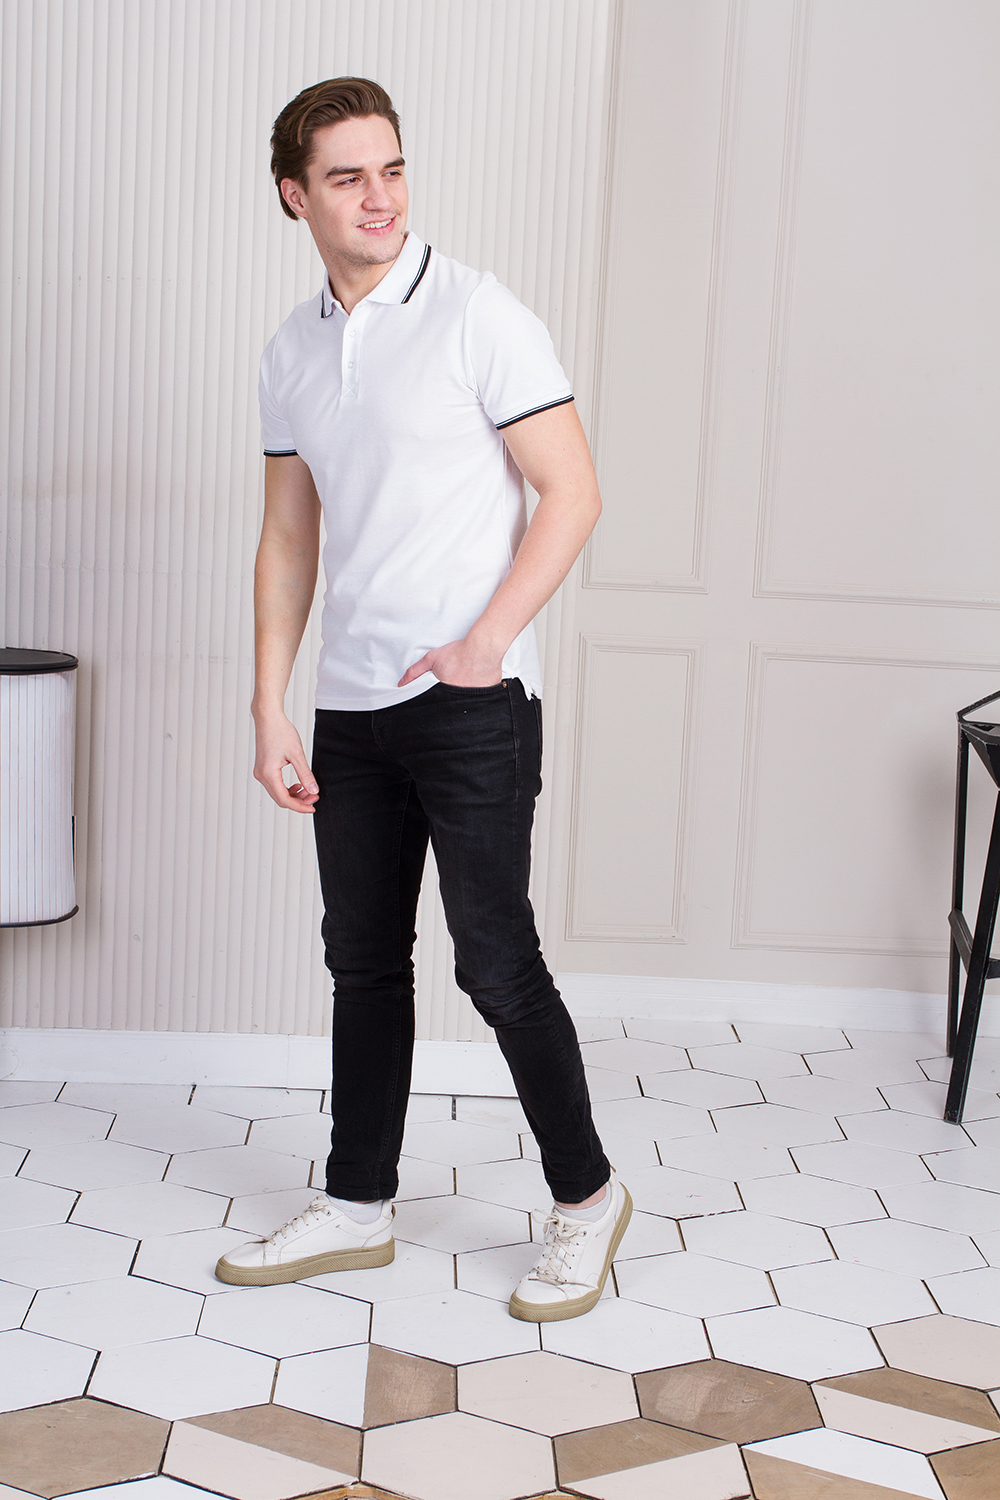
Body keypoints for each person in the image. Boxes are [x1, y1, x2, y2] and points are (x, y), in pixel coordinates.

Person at [215, 77, 630, 1321]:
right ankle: (356, 1204)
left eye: (391, 168)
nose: (379, 196)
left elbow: (572, 491)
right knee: (361, 962)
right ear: (294, 196)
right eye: (347, 176)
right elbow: (289, 536)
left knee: (494, 962)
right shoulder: (291, 351)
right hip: (349, 710)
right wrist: (270, 704)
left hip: (471, 704)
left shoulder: (477, 313)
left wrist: (485, 643)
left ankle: (586, 1200)